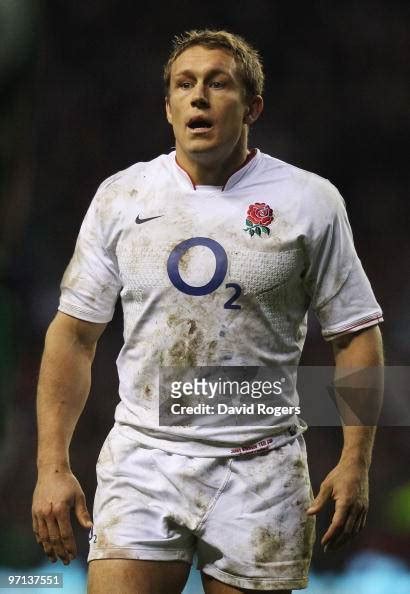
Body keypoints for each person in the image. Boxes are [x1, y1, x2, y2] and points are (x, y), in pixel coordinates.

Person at [32, 29, 384, 594]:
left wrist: (355, 461)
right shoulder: (122, 196)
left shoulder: (310, 201)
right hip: (143, 459)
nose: (199, 96)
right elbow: (72, 337)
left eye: (218, 83)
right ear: (168, 106)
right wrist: (53, 465)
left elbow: (355, 334)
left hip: (261, 467)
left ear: (253, 107)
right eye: (184, 84)